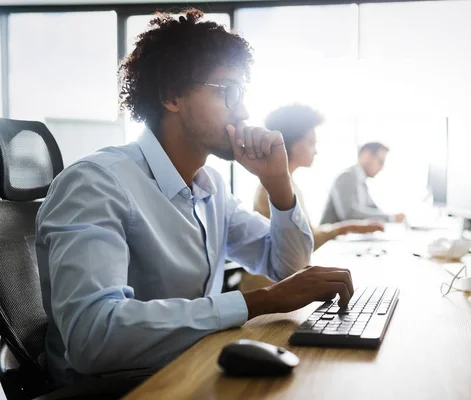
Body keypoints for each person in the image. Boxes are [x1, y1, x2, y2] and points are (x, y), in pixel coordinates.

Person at [35, 10, 353, 386]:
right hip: (118, 390)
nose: (245, 111)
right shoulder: (96, 183)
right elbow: (93, 337)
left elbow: (288, 265)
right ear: (172, 95)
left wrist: (278, 183)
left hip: (189, 368)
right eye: (229, 93)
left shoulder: (209, 187)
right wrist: (261, 302)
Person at [254, 104, 384, 251]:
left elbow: (307, 237)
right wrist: (347, 228)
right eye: (311, 143)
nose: (315, 151)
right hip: (274, 274)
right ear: (291, 144)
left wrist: (349, 227)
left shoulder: (288, 183)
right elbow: (305, 243)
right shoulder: (274, 188)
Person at [320, 142, 405, 225]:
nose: (381, 168)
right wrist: (391, 218)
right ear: (366, 154)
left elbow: (374, 209)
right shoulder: (346, 177)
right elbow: (349, 214)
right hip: (330, 238)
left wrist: (393, 217)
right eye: (380, 162)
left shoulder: (362, 183)